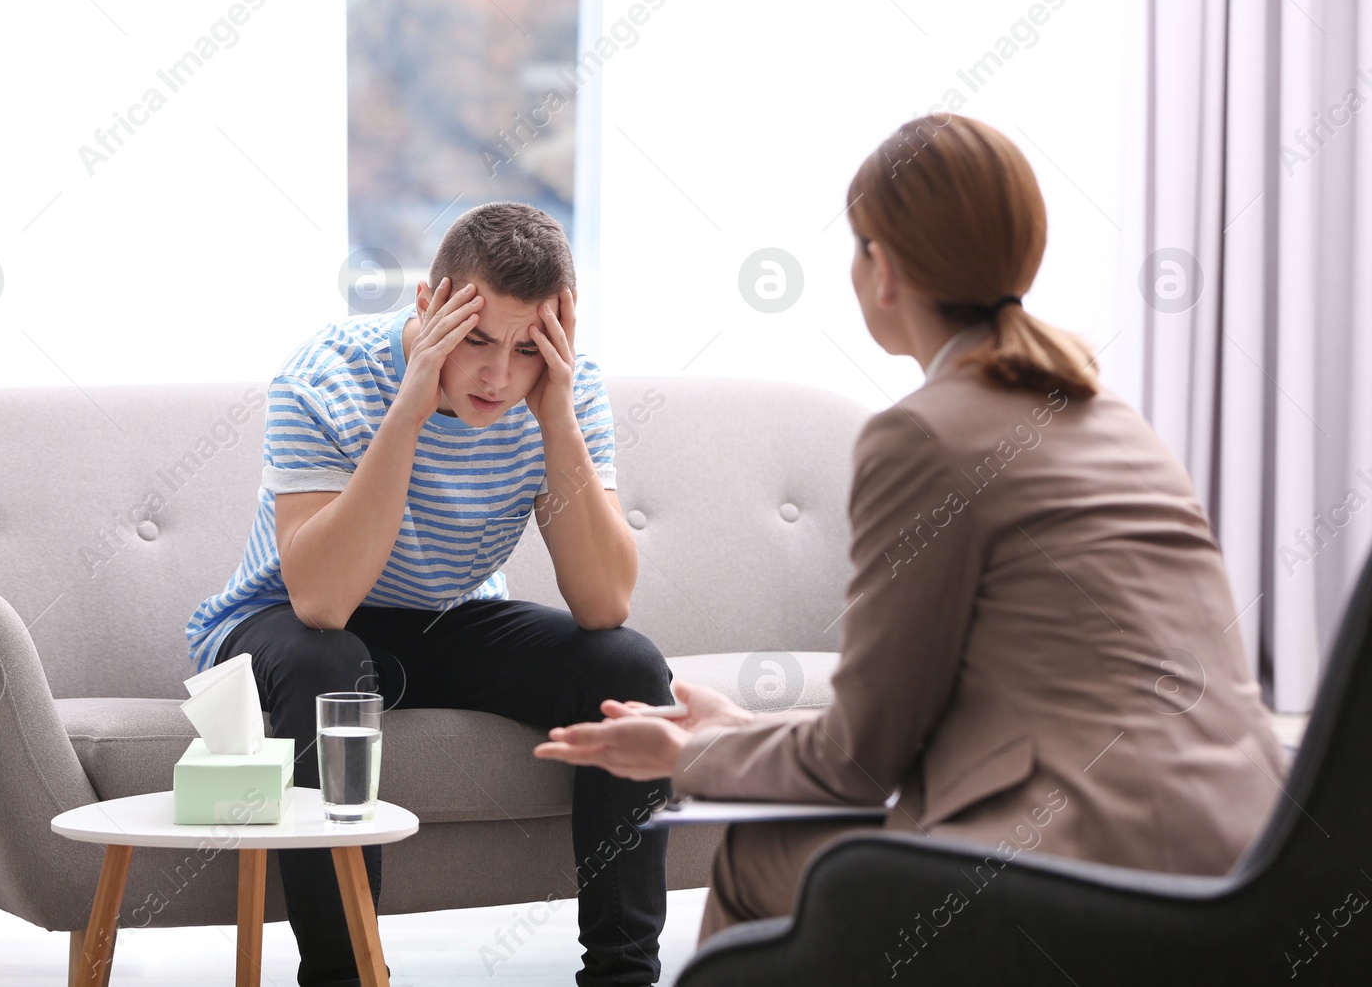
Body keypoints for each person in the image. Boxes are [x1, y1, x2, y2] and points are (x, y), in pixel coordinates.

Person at [533, 114, 1286, 942]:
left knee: (760, 857)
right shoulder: (1110, 417)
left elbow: (861, 763)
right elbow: (939, 718)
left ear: (882, 269)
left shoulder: (921, 435)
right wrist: (738, 731)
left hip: (1074, 869)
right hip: (1245, 856)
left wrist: (688, 757)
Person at [186, 202, 672, 987]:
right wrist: (409, 410)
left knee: (629, 670)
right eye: (476, 338)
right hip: (286, 624)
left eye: (526, 348)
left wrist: (555, 421)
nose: (497, 374)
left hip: (447, 620)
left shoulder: (558, 392)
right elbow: (321, 602)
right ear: (428, 305)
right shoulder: (326, 374)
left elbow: (605, 602)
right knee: (329, 667)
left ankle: (622, 978)